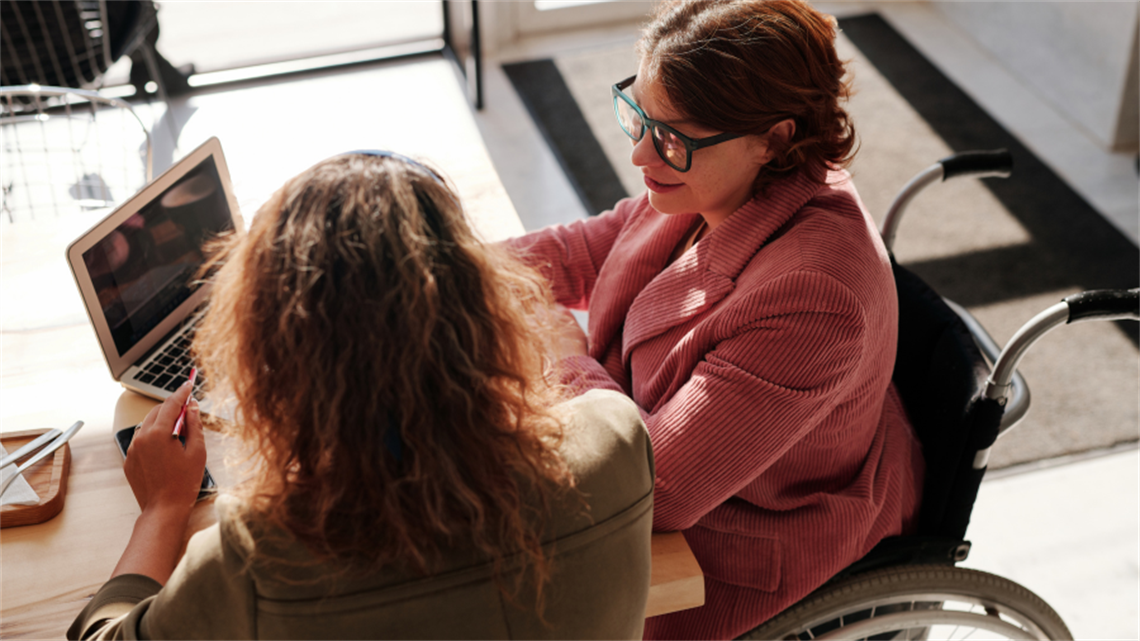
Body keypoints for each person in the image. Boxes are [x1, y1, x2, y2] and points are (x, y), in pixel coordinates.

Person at [69, 152, 655, 641]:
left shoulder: (257, 556)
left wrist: (163, 509)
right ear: (486, 308)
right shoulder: (618, 438)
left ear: (273, 359)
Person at [506, 1, 925, 639]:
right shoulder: (713, 176)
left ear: (775, 138)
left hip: (735, 547)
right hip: (675, 469)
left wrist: (563, 350)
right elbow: (594, 246)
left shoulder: (814, 296)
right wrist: (437, 266)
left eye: (669, 137)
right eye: (637, 116)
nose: (641, 155)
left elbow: (660, 489)